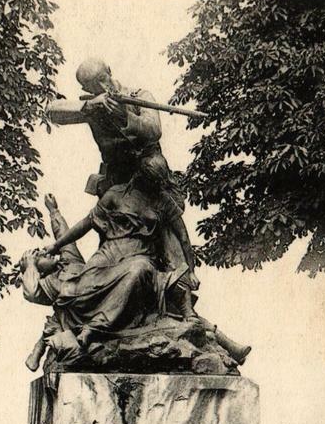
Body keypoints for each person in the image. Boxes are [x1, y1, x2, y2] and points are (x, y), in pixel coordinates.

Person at [21, 155, 198, 365]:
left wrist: (192, 270)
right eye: (150, 180)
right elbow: (85, 224)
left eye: (157, 181)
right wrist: (56, 245)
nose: (154, 185)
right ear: (141, 176)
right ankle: (67, 335)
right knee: (81, 288)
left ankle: (94, 328)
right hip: (107, 254)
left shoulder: (163, 201)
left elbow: (183, 237)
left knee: (137, 271)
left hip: (139, 254)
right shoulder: (115, 195)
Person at [48, 58, 163, 197]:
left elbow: (155, 131)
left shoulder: (139, 95)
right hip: (116, 182)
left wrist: (126, 116)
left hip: (149, 174)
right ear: (86, 89)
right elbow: (51, 111)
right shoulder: (92, 107)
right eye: (94, 85)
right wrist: (89, 105)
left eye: (103, 78)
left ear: (109, 70)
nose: (103, 86)